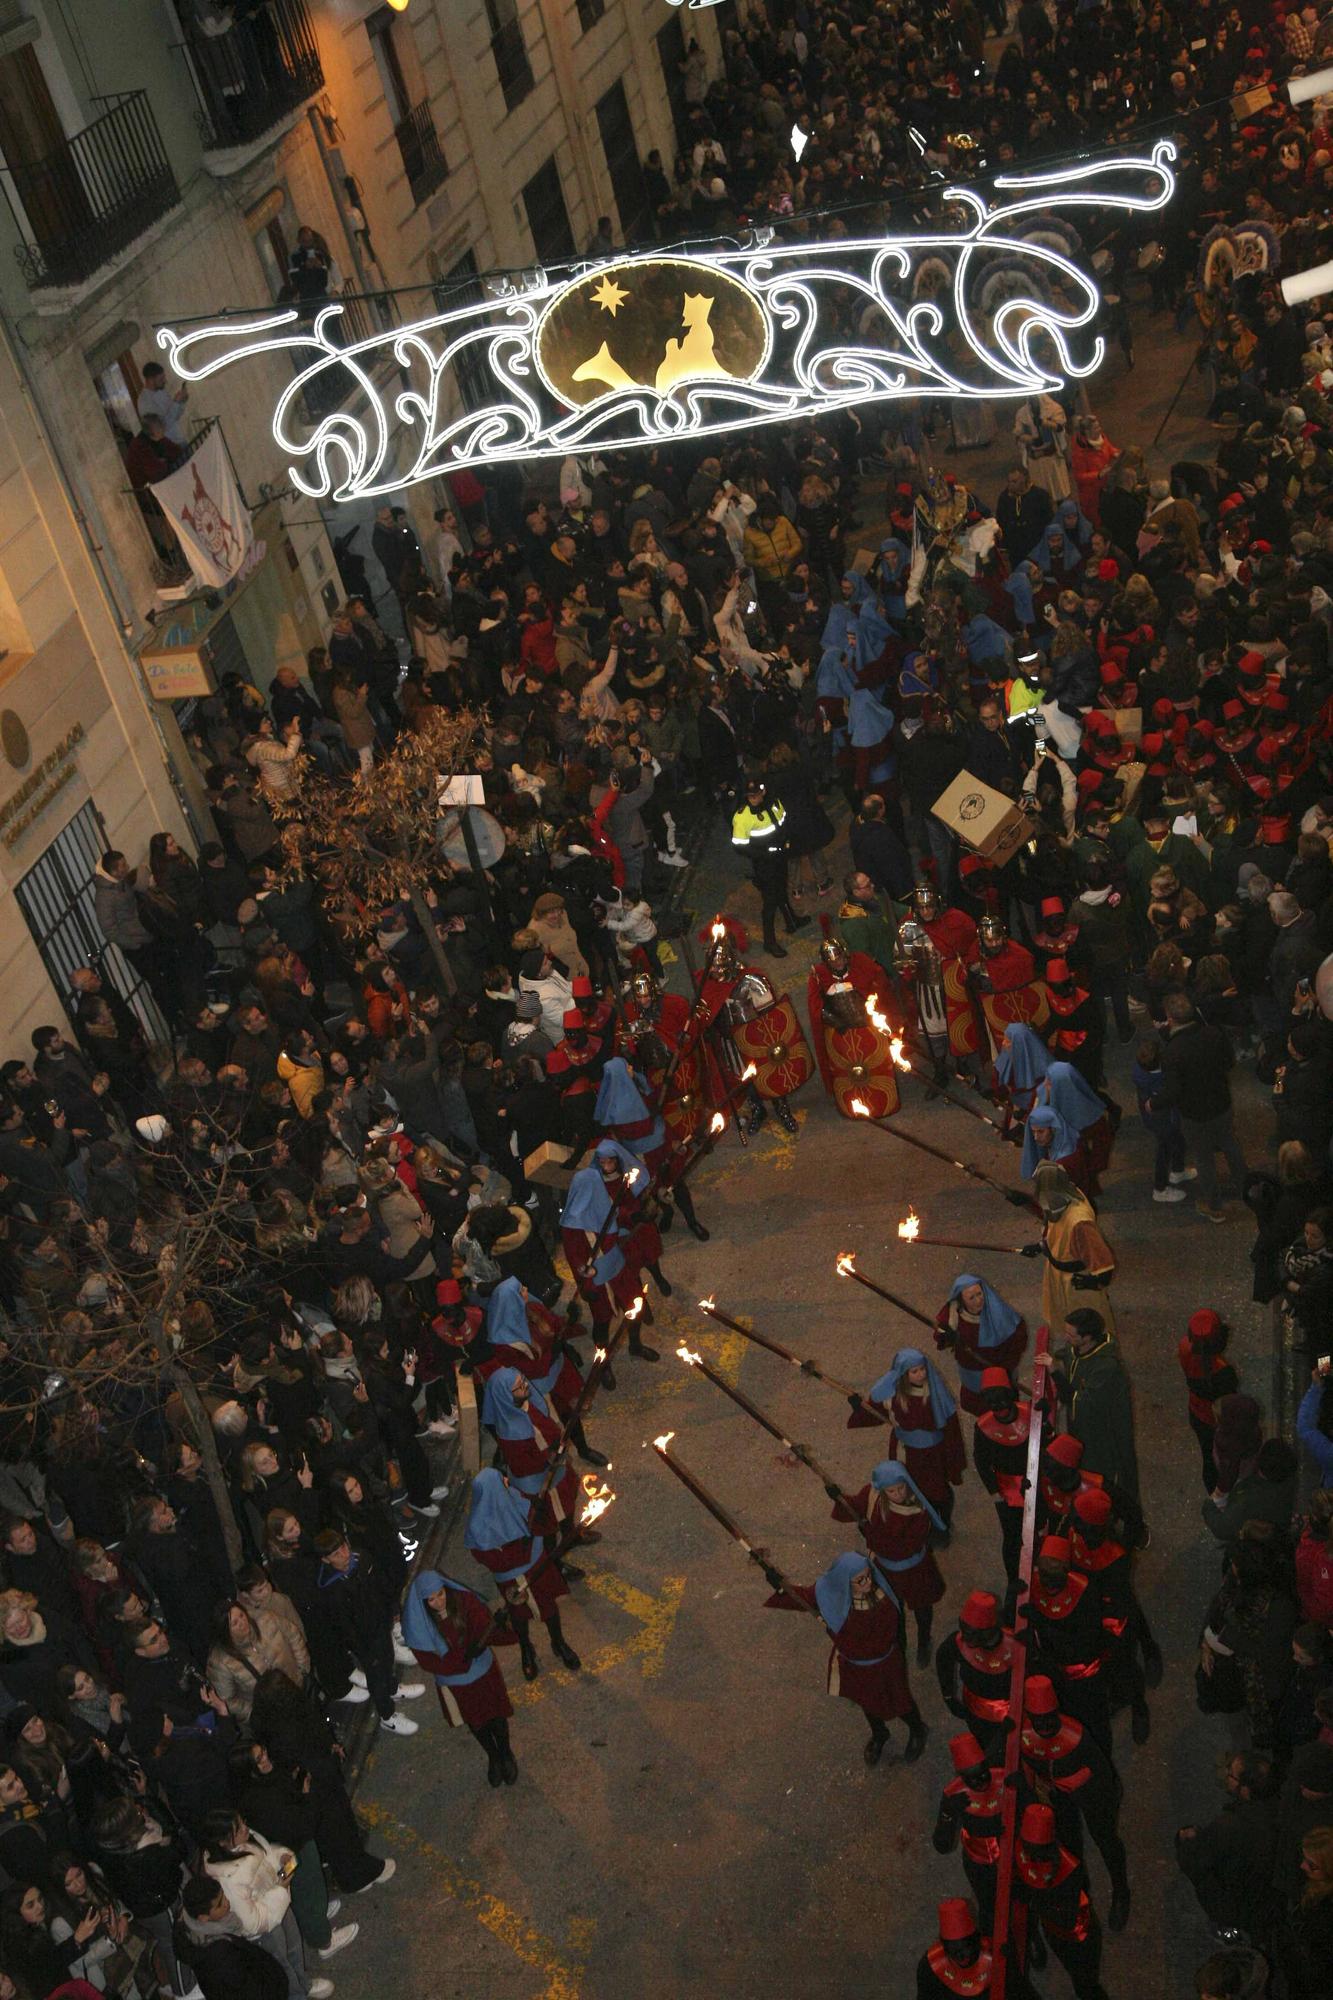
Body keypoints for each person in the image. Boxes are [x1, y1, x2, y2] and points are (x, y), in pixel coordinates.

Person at [765, 1551, 929, 1766]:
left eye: (868, 1575)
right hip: (856, 1665)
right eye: (860, 1579)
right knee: (866, 1702)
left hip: (883, 1664)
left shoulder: (883, 1603)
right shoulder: (829, 1593)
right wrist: (780, 1587)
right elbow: (804, 1598)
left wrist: (838, 1631)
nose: (868, 1582)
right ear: (845, 1581)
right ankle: (880, 1733)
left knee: (899, 1700)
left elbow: (877, 1639)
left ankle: (917, 1729)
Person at [400, 1568, 518, 1788]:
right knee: (477, 1722)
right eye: (431, 1599)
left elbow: (485, 1628)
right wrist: (457, 1663)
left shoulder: (465, 1601)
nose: (438, 1602)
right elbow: (427, 1660)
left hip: (483, 1671)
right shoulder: (419, 1622)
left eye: (441, 1594)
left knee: (496, 1714)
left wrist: (504, 1627)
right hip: (455, 1681)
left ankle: (505, 1752)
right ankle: (493, 1756)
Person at [1158, 991, 1250, 1222]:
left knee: (1204, 1157)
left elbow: (1172, 1091)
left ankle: (1215, 1205)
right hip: (1221, 1102)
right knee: (1230, 1142)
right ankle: (1245, 1186)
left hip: (1194, 1113)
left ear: (1170, 1018)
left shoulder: (1172, 1051)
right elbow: (1229, 1062)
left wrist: (1153, 1103)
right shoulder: (1213, 1033)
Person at [1054, 1308, 1139, 1502]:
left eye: (1071, 1334)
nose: (1066, 1337)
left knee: (1101, 1470)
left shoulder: (1106, 1367)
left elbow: (1082, 1401)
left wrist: (1054, 1374)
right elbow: (1070, 1356)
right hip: (1084, 1424)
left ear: (1087, 1337)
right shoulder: (1079, 1348)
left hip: (1102, 1430)